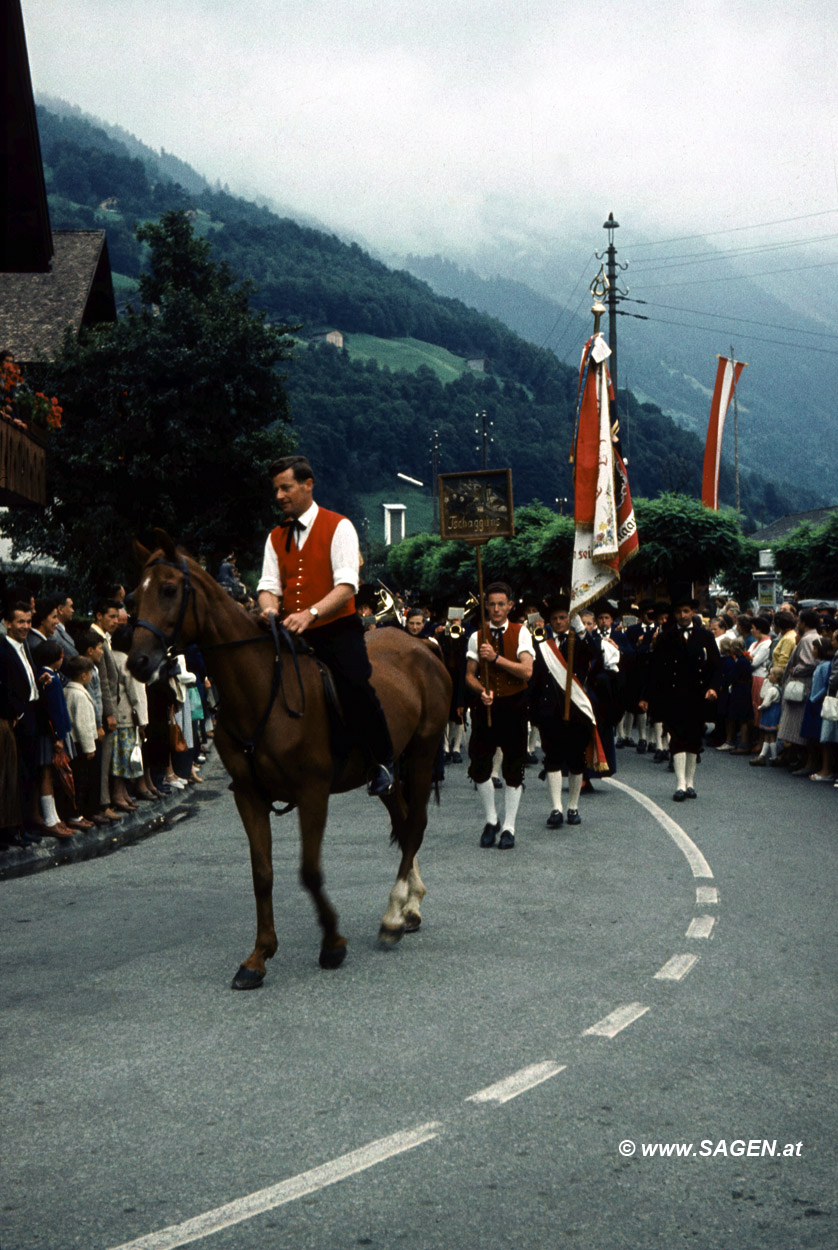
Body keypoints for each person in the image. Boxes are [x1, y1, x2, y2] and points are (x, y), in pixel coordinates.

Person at [256, 454, 394, 796]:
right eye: (276, 490)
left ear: (308, 485)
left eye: (285, 488)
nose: (279, 496)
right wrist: (270, 609)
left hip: (336, 629)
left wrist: (311, 614)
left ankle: (383, 761)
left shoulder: (340, 526)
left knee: (355, 684)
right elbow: (268, 586)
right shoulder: (275, 536)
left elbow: (347, 585)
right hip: (290, 631)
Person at [465, 581, 535, 849]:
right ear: (486, 606)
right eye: (491, 604)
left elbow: (526, 672)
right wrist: (481, 690)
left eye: (501, 604)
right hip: (486, 707)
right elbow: (469, 676)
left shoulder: (522, 633)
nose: (496, 609)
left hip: (514, 706)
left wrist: (495, 659)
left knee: (513, 768)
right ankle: (491, 820)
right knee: (480, 765)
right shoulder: (477, 636)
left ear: (510, 606)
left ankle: (509, 827)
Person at [639, 592, 722, 802]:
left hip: (697, 695)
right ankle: (680, 784)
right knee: (676, 738)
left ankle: (690, 781)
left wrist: (713, 688)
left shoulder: (705, 636)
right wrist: (646, 696)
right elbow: (655, 670)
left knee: (693, 739)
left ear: (693, 612)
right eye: (678, 612)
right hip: (673, 695)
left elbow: (716, 666)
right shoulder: (666, 637)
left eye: (686, 611)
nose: (683, 615)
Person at [530, 597, 602, 829]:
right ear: (549, 622)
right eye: (555, 619)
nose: (559, 622)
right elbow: (536, 679)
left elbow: (595, 654)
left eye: (563, 618)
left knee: (575, 761)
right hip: (550, 710)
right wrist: (535, 712)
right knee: (552, 760)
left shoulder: (581, 643)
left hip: (577, 710)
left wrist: (581, 631)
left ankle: (573, 807)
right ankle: (555, 808)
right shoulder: (543, 646)